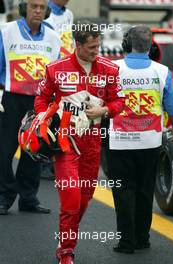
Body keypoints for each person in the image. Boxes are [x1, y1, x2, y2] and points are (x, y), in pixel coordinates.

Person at [34, 21, 125, 264]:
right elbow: (41, 99)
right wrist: (46, 120)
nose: (97, 51)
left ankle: (66, 238)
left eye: (99, 45)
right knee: (72, 197)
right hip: (65, 142)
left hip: (93, 142)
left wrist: (104, 110)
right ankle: (66, 250)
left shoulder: (110, 70)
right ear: (78, 45)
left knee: (84, 198)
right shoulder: (56, 68)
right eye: (92, 47)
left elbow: (120, 103)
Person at [107, 25, 173, 254]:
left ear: (126, 44)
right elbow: (172, 110)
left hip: (120, 142)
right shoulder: (163, 71)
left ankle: (126, 242)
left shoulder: (112, 69)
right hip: (150, 142)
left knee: (123, 190)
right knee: (145, 190)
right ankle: (142, 238)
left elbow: (101, 105)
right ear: (150, 46)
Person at [0, 0, 60, 215]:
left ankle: (28, 199)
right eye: (33, 6)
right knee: (4, 150)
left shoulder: (53, 36)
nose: (37, 10)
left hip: (39, 101)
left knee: (34, 150)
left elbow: (57, 69)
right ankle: (4, 197)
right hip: (11, 98)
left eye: (42, 7)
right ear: (25, 9)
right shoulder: (6, 31)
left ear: (46, 11)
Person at [41, 0, 74, 180]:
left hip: (67, 71)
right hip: (51, 68)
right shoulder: (46, 13)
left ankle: (53, 158)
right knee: (48, 115)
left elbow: (70, 43)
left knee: (62, 116)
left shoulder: (68, 14)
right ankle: (44, 161)